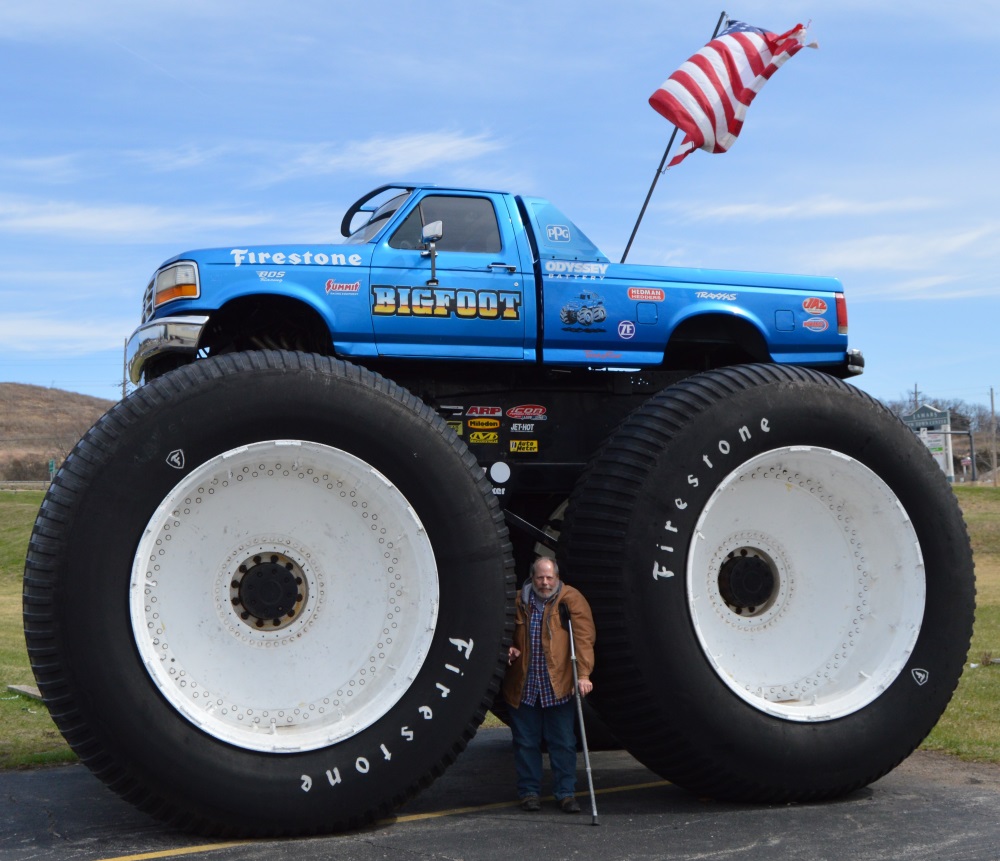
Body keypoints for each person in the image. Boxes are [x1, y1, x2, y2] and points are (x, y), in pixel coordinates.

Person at [501, 556, 596, 813]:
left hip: (558, 685)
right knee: (525, 743)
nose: (545, 582)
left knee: (563, 742)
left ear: (557, 577)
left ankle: (565, 794)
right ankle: (529, 793)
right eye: (540, 577)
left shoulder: (571, 599)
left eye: (549, 578)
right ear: (532, 578)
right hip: (524, 686)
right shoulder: (518, 601)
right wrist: (507, 648)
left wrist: (584, 674)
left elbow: (584, 638)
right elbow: (502, 632)